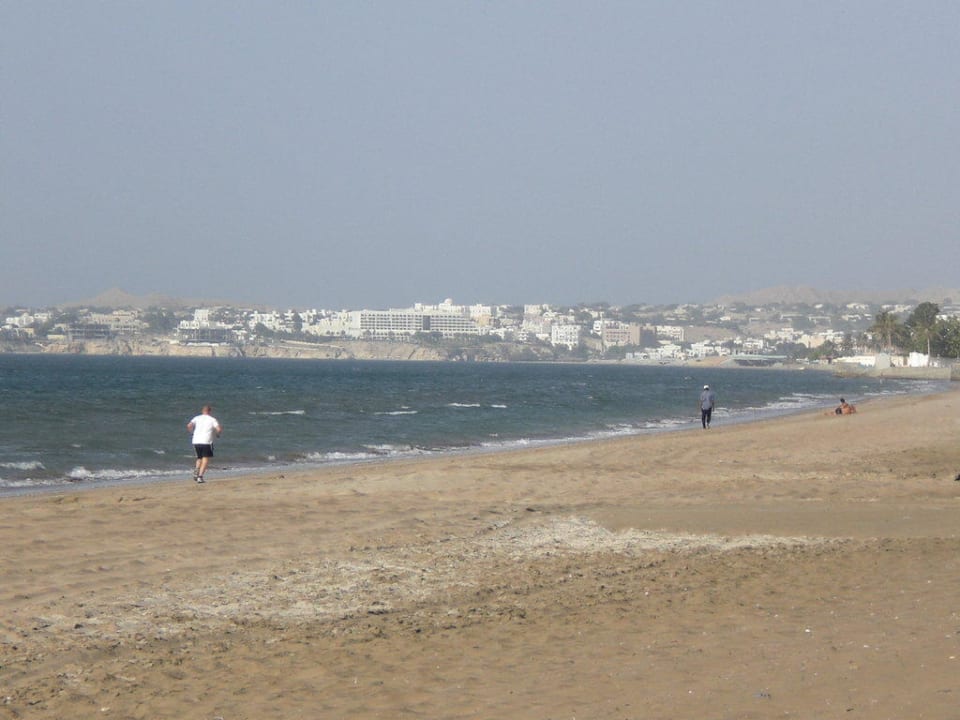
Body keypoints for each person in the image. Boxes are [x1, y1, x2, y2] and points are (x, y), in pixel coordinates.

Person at [187, 405, 222, 483]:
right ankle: (200, 476)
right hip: (206, 441)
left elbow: (189, 425)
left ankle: (196, 471)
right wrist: (217, 434)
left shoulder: (196, 418)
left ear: (202, 411)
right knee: (205, 458)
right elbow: (219, 429)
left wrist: (192, 433)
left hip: (196, 441)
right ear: (210, 411)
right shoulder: (212, 419)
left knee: (199, 458)